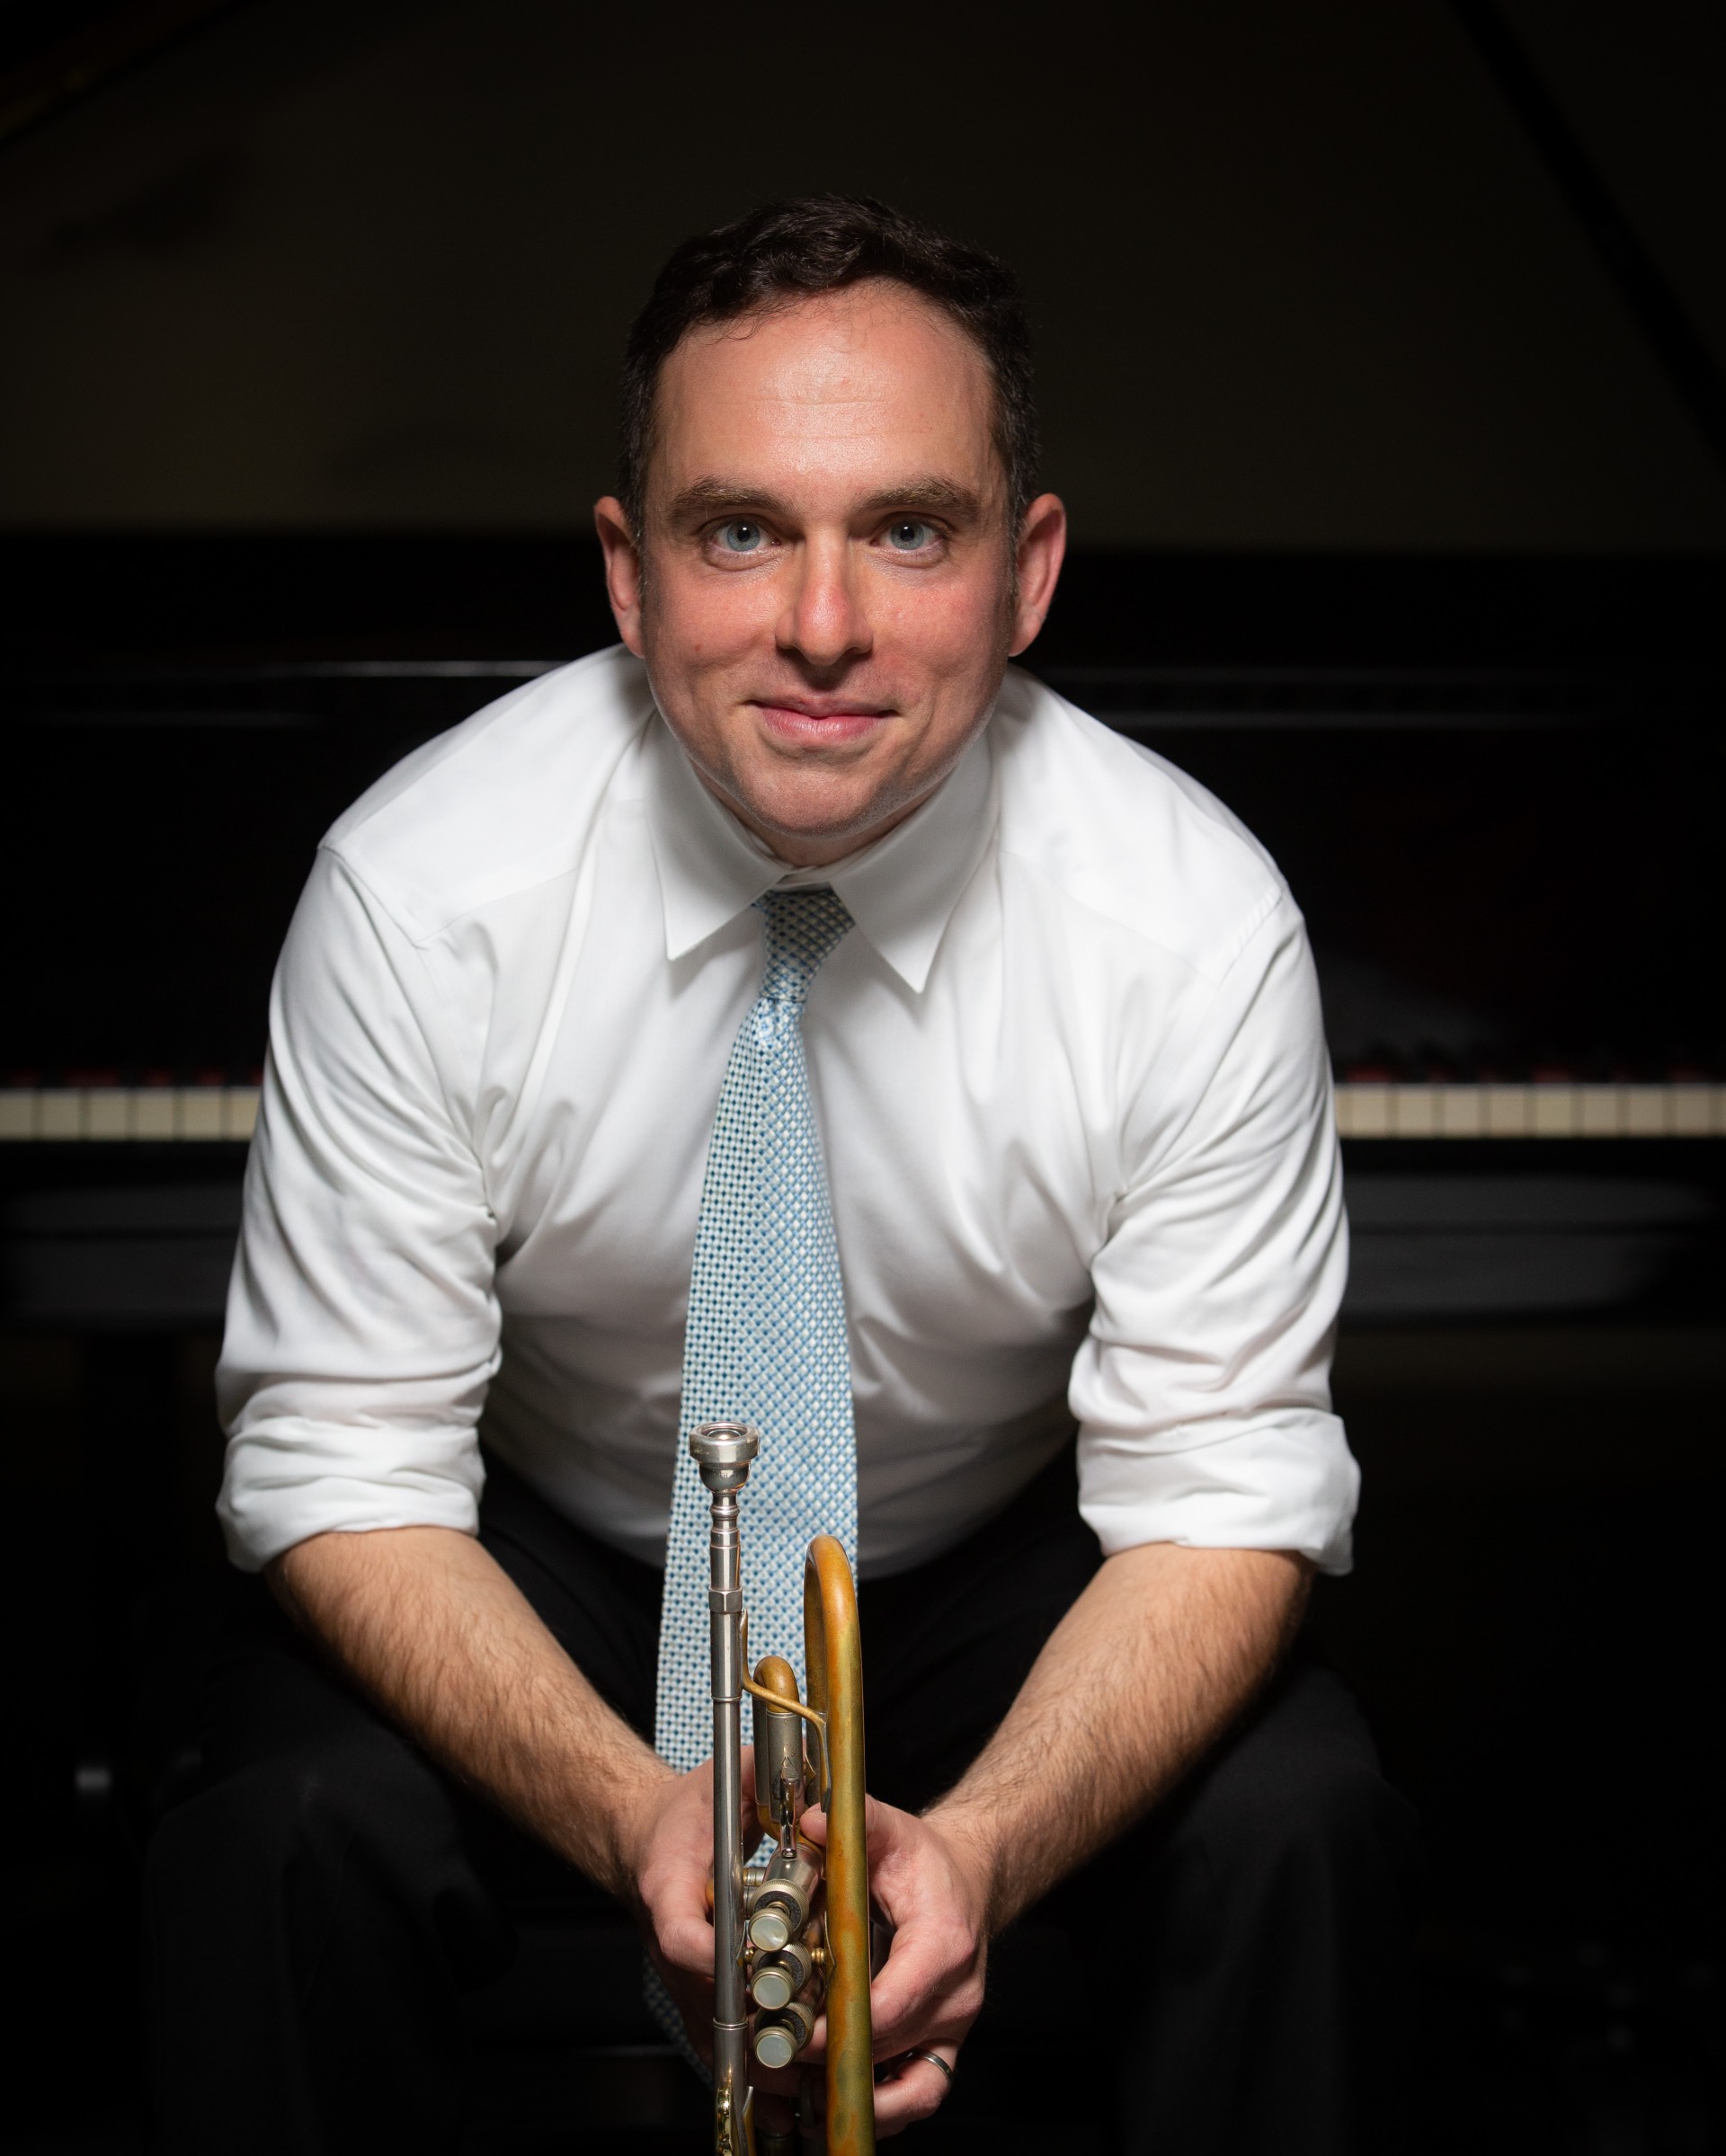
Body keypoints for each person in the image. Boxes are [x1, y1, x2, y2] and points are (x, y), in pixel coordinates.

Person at [146, 195, 1414, 2152]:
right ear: (630, 576)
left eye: (910, 530)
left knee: (1299, 1816)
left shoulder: (1189, 920)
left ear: (1029, 572)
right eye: (741, 529)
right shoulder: (420, 892)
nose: (823, 624)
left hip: (980, 1560)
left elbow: (1221, 1494)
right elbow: (344, 1459)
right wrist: (640, 1809)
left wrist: (982, 1845)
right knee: (278, 1827)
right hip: (559, 1549)